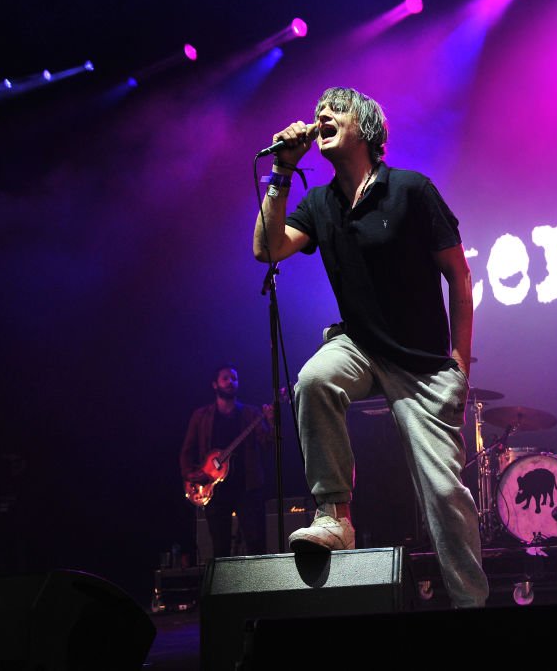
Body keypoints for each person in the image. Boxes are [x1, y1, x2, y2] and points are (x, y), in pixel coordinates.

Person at [252, 87, 488, 608]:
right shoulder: (319, 202)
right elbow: (266, 249)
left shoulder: (411, 190)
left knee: (444, 495)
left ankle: (473, 608)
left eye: (335, 111)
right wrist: (283, 173)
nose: (321, 117)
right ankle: (334, 516)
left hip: (423, 365)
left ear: (366, 128)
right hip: (360, 346)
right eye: (318, 112)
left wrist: (460, 366)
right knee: (313, 379)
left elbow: (460, 277)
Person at [180, 364, 273, 558]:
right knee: (220, 548)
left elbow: (268, 444)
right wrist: (192, 476)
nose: (231, 382)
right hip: (214, 491)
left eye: (234, 378)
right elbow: (187, 451)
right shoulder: (201, 416)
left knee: (256, 545)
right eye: (225, 378)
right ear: (215, 385)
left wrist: (272, 422)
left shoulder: (251, 413)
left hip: (247, 488)